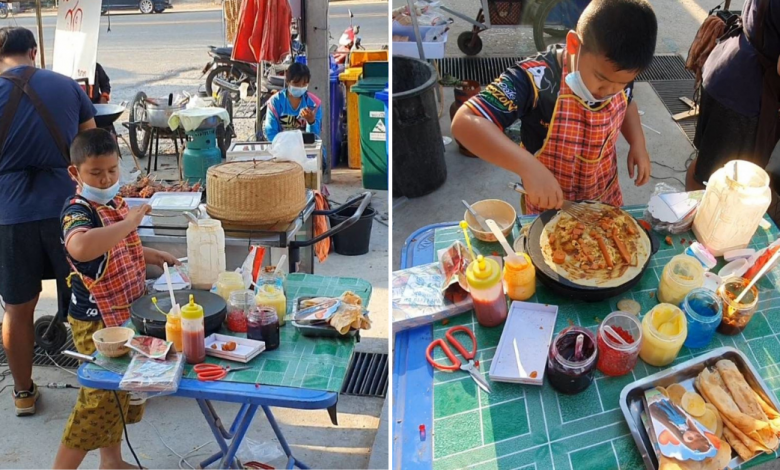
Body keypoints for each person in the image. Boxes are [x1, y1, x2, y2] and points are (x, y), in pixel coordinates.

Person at [451, 0, 657, 214]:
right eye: (600, 79)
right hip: (548, 204)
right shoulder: (535, 78)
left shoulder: (619, 72)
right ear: (574, 45)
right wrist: (528, 168)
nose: (607, 91)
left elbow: (628, 102)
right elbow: (465, 122)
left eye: (620, 84)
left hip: (602, 197)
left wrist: (637, 143)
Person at [53, 129, 179, 469]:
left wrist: (150, 255)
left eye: (112, 170)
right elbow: (80, 246)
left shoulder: (114, 202)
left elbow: (119, 247)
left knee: (120, 396)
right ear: (75, 173)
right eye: (96, 172)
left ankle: (111, 460)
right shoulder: (77, 209)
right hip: (96, 320)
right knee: (97, 401)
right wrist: (128, 224)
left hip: (126, 310)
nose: (106, 178)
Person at [0, 26, 96, 417]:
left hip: (10, 215)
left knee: (17, 309)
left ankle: (23, 393)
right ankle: (101, 389)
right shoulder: (67, 86)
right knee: (89, 302)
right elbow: (93, 150)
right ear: (34, 51)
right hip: (67, 211)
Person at [686, 0, 780, 191]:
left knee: (707, 166)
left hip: (726, 69)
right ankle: (692, 218)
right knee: (715, 179)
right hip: (743, 96)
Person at [262, 62, 322, 142]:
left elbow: (314, 136)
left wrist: (311, 121)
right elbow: (271, 133)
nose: (300, 87)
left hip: (307, 150)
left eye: (304, 84)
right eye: (296, 84)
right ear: (288, 81)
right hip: (282, 148)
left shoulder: (314, 104)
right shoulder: (275, 102)